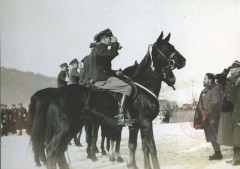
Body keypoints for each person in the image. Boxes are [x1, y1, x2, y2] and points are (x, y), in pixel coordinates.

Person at [88, 28, 132, 126]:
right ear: (104, 39)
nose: (110, 40)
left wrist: (114, 72)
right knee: (127, 87)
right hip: (102, 79)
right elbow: (110, 54)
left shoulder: (96, 49)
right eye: (109, 38)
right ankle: (121, 116)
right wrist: (115, 43)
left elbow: (103, 64)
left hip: (99, 77)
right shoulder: (101, 48)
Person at [194, 73, 223, 160]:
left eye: (205, 78)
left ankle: (219, 154)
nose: (203, 80)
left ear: (210, 80)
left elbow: (216, 104)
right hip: (205, 117)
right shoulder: (205, 90)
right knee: (210, 135)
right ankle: (217, 153)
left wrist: (213, 117)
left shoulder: (215, 88)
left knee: (215, 134)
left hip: (212, 116)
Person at [217, 60, 240, 166]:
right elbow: (219, 80)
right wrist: (224, 72)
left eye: (233, 67)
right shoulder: (230, 79)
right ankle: (236, 157)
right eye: (230, 67)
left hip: (236, 110)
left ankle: (238, 158)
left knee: (237, 135)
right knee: (232, 135)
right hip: (229, 111)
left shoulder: (238, 80)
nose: (231, 69)